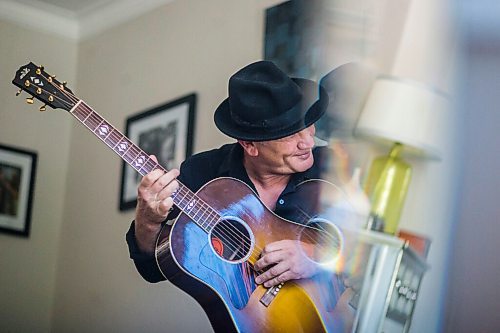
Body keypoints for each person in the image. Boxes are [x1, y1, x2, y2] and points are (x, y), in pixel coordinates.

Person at [126, 60, 354, 332]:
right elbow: (153, 268)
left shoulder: (333, 169)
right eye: (292, 134)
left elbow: (382, 246)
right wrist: (148, 221)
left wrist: (316, 256)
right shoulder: (203, 175)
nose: (308, 141)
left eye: (309, 125)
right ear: (249, 145)